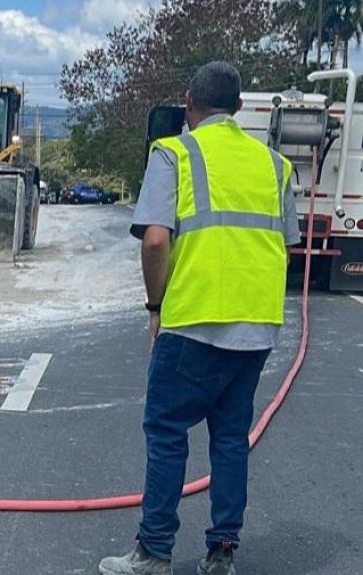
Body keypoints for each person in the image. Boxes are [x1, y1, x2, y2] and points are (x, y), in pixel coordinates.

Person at [99, 62, 301, 575]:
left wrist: (154, 308)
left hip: (192, 320)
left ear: (189, 102)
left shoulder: (173, 152)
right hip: (256, 326)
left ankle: (154, 551)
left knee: (167, 432)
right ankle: (222, 553)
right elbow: (286, 244)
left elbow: (155, 238)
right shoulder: (275, 165)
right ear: (238, 108)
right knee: (231, 437)